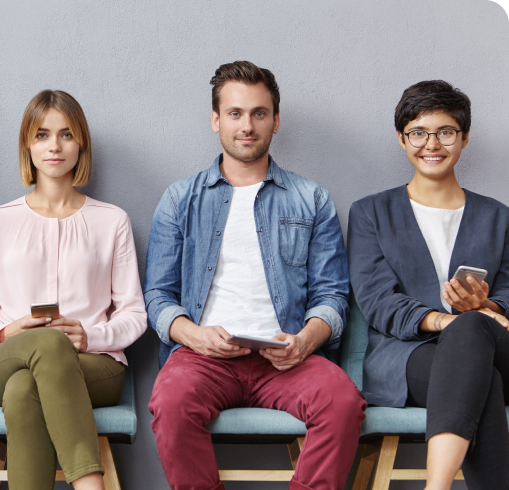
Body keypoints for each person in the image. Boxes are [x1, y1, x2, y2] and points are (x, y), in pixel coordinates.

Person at [144, 60, 366, 490]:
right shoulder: (179, 199)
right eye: (235, 113)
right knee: (170, 403)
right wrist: (193, 334)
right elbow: (158, 295)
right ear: (216, 120)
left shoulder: (312, 199)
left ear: (275, 121)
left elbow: (332, 296)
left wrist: (304, 341)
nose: (247, 125)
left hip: (287, 358)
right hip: (203, 358)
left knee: (342, 403)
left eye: (259, 113)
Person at [348, 80, 509, 490]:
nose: (432, 144)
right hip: (405, 357)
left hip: (493, 344)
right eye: (418, 132)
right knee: (478, 373)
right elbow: (378, 301)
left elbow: (508, 292)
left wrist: (489, 307)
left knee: (473, 329)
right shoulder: (371, 213)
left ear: (464, 138)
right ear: (402, 139)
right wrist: (445, 321)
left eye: (445, 132)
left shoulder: (497, 216)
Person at [0, 90, 147, 490]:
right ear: (27, 145)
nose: (54, 146)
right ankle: (90, 485)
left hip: (95, 363)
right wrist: (8, 332)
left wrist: (90, 335)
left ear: (81, 143)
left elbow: (135, 313)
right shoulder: (2, 221)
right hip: (9, 355)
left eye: (66, 134)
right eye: (42, 135)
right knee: (43, 348)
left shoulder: (112, 221)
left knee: (22, 390)